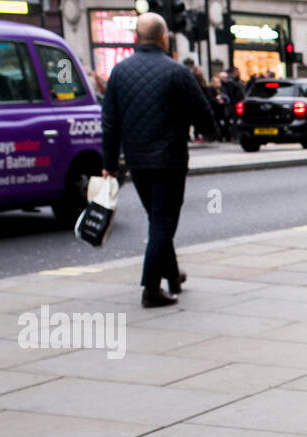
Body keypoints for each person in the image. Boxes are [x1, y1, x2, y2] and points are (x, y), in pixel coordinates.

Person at [101, 12, 217, 307]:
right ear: (164, 38)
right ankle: (151, 289)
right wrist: (208, 131)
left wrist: (109, 164)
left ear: (137, 38)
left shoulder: (119, 72)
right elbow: (203, 112)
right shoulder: (176, 72)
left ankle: (174, 276)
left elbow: (110, 123)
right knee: (163, 223)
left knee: (157, 220)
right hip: (169, 161)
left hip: (137, 162)